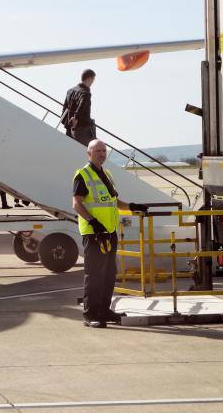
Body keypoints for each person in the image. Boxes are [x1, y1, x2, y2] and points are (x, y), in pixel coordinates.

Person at [73, 139, 149, 328]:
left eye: (104, 151)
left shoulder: (106, 174)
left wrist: (131, 206)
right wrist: (94, 223)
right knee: (94, 275)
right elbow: (77, 204)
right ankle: (90, 315)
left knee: (108, 274)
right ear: (88, 154)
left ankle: (104, 310)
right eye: (97, 150)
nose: (101, 154)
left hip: (109, 232)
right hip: (94, 233)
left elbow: (113, 202)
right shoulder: (83, 175)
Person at [62, 69, 96, 146]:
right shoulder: (85, 93)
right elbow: (82, 105)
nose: (93, 82)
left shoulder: (70, 91)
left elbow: (65, 107)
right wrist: (75, 118)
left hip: (69, 127)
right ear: (90, 78)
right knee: (86, 151)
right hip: (82, 128)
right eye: (93, 80)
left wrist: (65, 122)